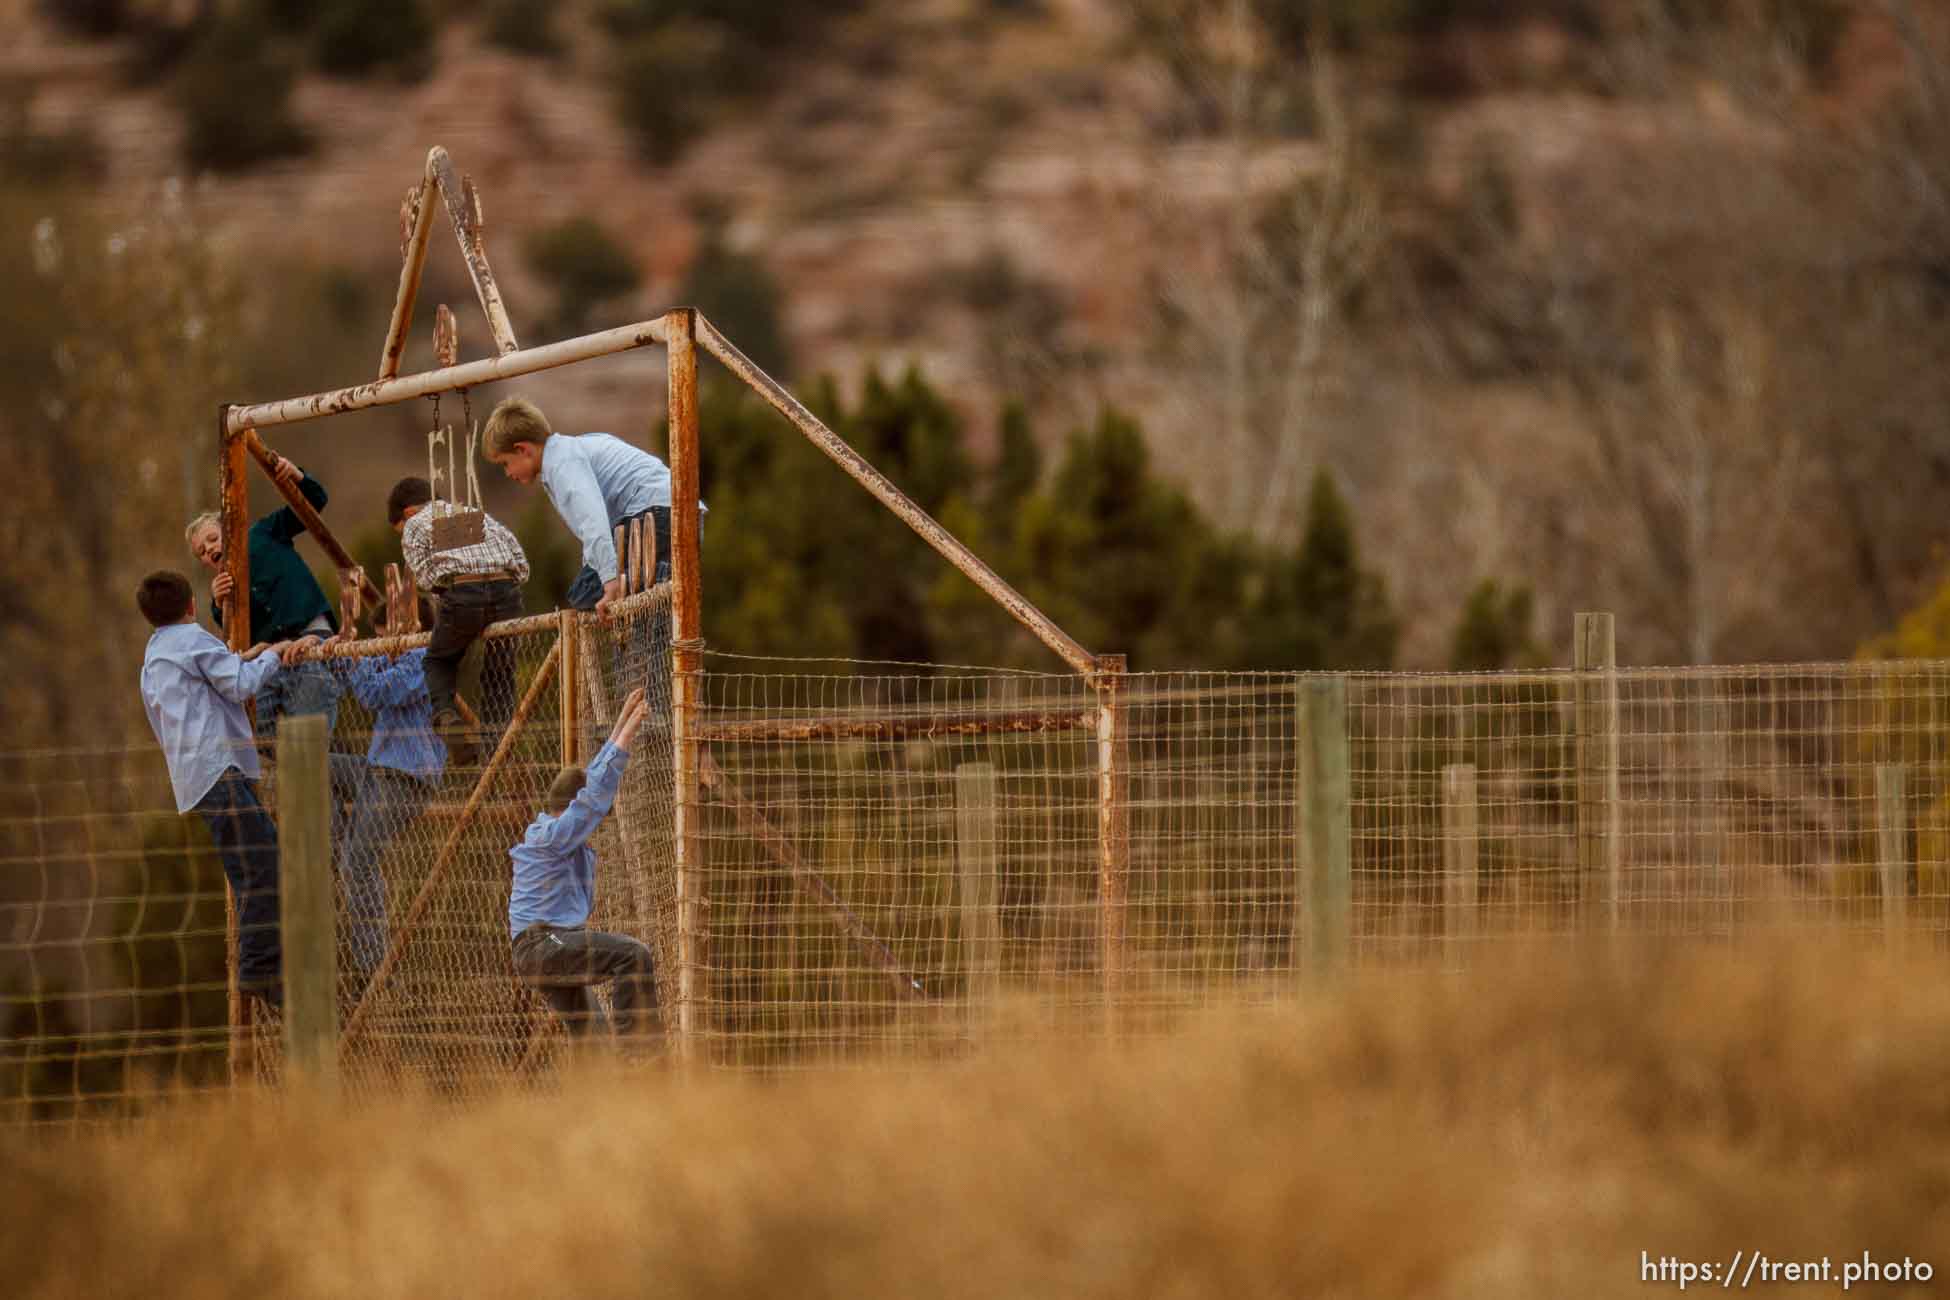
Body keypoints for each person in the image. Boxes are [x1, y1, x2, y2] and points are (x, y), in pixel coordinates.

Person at [137, 570, 318, 1012]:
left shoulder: (156, 656)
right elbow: (239, 685)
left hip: (193, 778)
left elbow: (212, 682)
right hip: (220, 767)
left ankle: (265, 972)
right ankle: (261, 970)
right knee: (267, 863)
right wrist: (274, 655)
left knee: (246, 871)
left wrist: (244, 657)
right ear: (193, 605)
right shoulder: (194, 640)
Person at [508, 687, 660, 1049]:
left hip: (545, 947)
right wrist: (626, 737)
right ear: (571, 809)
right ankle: (639, 1062)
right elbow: (591, 798)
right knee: (632, 955)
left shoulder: (555, 830)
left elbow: (590, 781)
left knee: (594, 1041)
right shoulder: (553, 836)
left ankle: (595, 1099)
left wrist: (619, 728)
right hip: (544, 944)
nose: (595, 824)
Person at [480, 396, 702, 616]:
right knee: (599, 591)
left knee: (585, 593)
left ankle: (659, 580)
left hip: (657, 514)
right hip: (680, 510)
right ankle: (656, 586)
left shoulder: (562, 463)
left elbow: (592, 520)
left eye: (505, 463)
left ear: (523, 450)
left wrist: (610, 580)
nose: (507, 473)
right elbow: (594, 535)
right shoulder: (573, 449)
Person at [328, 599, 444, 990]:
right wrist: (341, 652)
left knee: (359, 865)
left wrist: (360, 660)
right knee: (318, 765)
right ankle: (336, 845)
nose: (379, 648)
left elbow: (376, 693)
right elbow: (359, 679)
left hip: (405, 776)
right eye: (375, 641)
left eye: (382, 641)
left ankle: (374, 968)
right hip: (378, 769)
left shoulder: (424, 657)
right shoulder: (396, 657)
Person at [184, 453, 341, 736]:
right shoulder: (222, 592)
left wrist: (297, 476)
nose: (209, 550)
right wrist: (221, 604)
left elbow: (313, 504)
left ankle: (322, 766)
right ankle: (322, 769)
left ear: (228, 530)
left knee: (308, 731)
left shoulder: (262, 533)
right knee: (251, 729)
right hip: (270, 658)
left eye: (212, 539)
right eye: (202, 553)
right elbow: (235, 636)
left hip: (310, 637)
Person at [390, 475, 530, 768]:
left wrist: (454, 592)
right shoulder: (473, 514)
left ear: (406, 513)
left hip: (463, 594)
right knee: (499, 673)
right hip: (507, 593)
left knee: (439, 662)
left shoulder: (415, 525)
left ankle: (446, 717)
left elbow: (426, 577)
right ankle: (497, 751)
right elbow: (521, 562)